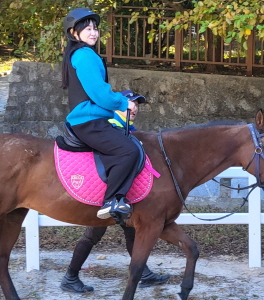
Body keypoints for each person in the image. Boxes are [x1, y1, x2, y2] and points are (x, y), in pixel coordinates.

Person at [60, 93, 171, 293]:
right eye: (130, 104)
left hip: (122, 195)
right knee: (92, 235)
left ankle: (143, 273)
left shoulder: (127, 129)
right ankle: (70, 277)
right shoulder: (109, 125)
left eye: (137, 105)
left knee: (130, 232)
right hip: (105, 194)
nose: (135, 108)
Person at [61, 7, 137, 220]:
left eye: (95, 28)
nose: (93, 32)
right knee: (128, 151)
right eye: (87, 29)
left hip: (89, 119)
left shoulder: (79, 54)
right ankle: (111, 200)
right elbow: (100, 94)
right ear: (73, 33)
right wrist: (124, 103)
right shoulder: (85, 55)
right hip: (89, 121)